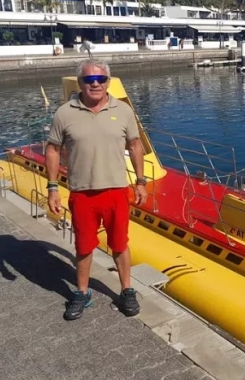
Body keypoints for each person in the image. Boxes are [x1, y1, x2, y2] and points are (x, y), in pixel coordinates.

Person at [45, 59, 148, 321]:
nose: (95, 84)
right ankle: (82, 292)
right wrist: (53, 187)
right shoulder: (64, 113)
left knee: (119, 244)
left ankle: (126, 290)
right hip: (82, 193)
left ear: (108, 82)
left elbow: (135, 145)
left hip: (116, 191)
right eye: (89, 80)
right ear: (80, 83)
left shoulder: (122, 111)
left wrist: (140, 181)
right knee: (84, 247)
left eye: (101, 79)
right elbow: (53, 149)